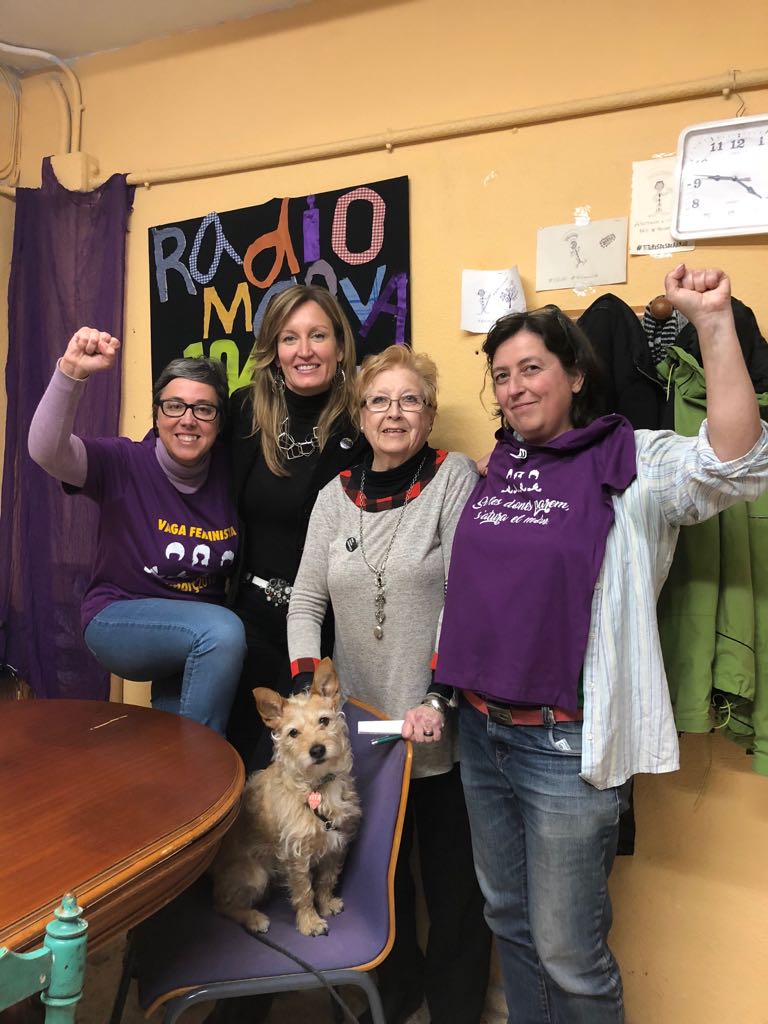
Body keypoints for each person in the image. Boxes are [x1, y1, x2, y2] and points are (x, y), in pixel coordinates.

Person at [434, 266, 768, 1024]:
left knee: (569, 954)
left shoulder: (631, 461)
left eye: (531, 369)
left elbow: (736, 462)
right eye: (502, 376)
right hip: (483, 732)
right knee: (507, 920)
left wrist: (714, 323)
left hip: (564, 745)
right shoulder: (500, 465)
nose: (514, 388)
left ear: (576, 375)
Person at [287, 345, 492, 1024]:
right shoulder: (333, 498)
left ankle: (456, 1010)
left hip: (438, 723)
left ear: (429, 414)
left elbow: (466, 594)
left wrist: (438, 696)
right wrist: (308, 695)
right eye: (379, 400)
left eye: (410, 400)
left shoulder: (452, 478)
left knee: (455, 888)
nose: (394, 413)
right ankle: (394, 999)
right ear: (360, 414)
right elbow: (306, 601)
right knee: (381, 879)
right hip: (362, 735)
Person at [28, 327, 246, 734]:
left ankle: (184, 769)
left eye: (204, 409)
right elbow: (47, 451)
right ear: (157, 414)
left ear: (219, 423)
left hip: (197, 638)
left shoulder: (231, 474)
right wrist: (71, 372)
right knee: (224, 632)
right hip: (119, 617)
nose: (188, 419)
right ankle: (205, 766)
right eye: (174, 406)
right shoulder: (124, 463)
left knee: (171, 735)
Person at [226, 284, 367, 771]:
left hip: (327, 627)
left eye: (318, 336)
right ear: (274, 351)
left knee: (320, 774)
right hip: (249, 621)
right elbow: (178, 453)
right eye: (289, 338)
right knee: (244, 767)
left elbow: (412, 458)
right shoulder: (245, 412)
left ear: (340, 347)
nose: (304, 350)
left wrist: (488, 463)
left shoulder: (364, 421)